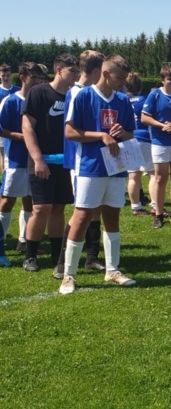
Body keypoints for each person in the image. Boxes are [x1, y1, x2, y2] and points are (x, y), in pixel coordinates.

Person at [60, 54, 137, 294]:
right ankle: (69, 275)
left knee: (112, 216)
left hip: (116, 167)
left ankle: (112, 270)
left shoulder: (123, 100)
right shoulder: (83, 95)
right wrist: (101, 135)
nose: (123, 83)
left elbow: (131, 134)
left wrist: (122, 133)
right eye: (119, 78)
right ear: (105, 73)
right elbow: (70, 133)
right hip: (90, 167)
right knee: (82, 217)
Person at [21, 54, 78, 272]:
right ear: (58, 70)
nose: (76, 75)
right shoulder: (39, 92)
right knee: (41, 208)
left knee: (58, 207)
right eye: (72, 71)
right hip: (41, 160)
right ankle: (30, 256)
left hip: (65, 162)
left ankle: (56, 255)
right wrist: (38, 159)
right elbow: (27, 127)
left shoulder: (74, 95)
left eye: (78, 71)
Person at [55, 50, 107, 279]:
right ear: (96, 70)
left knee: (95, 208)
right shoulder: (76, 92)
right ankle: (62, 263)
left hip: (96, 159)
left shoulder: (92, 91)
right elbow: (71, 130)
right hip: (80, 159)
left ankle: (92, 256)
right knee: (81, 210)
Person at [0, 62, 46, 267]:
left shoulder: (40, 101)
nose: (37, 81)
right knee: (7, 200)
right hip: (16, 159)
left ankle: (24, 241)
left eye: (39, 77)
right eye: (33, 77)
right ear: (22, 77)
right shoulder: (10, 101)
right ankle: (1, 243)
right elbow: (1, 129)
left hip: (36, 159)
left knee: (31, 201)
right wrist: (22, 136)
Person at [141, 65, 171, 228]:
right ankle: (158, 214)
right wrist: (162, 126)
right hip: (160, 142)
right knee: (160, 178)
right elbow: (144, 118)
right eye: (170, 79)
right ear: (162, 80)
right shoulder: (154, 95)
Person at [126, 72, 156, 216]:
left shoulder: (123, 100)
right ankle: (155, 204)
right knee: (152, 173)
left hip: (128, 138)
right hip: (144, 137)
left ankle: (135, 207)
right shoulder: (145, 99)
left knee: (133, 175)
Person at [0, 64, 21, 172]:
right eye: (3, 75)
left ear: (11, 75)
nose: (5, 78)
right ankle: (4, 173)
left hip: (14, 126)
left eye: (7, 75)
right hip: (2, 125)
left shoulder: (17, 90)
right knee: (2, 153)